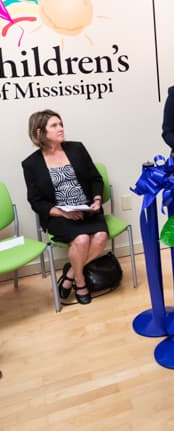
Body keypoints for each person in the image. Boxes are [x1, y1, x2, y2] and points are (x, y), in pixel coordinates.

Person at [21, 110, 109, 306]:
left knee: (101, 237)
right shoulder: (31, 164)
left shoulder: (77, 149)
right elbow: (35, 201)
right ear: (39, 132)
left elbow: (96, 178)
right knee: (82, 239)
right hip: (58, 216)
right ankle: (80, 282)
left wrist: (96, 200)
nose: (61, 128)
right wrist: (62, 212)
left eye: (60, 124)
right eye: (54, 126)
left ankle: (70, 273)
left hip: (87, 210)